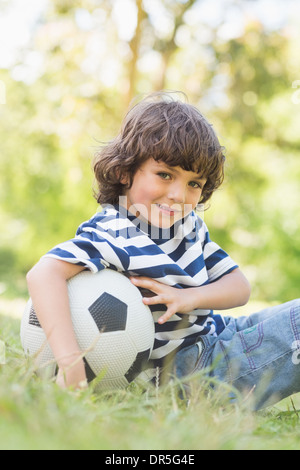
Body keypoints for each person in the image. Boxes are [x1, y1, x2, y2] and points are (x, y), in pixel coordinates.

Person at [26, 92, 300, 409]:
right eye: (165, 175)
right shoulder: (114, 229)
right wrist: (71, 363)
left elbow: (239, 288)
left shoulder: (190, 227)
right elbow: (44, 273)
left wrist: (189, 298)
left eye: (194, 184)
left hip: (212, 337)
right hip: (187, 372)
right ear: (124, 171)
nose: (178, 195)